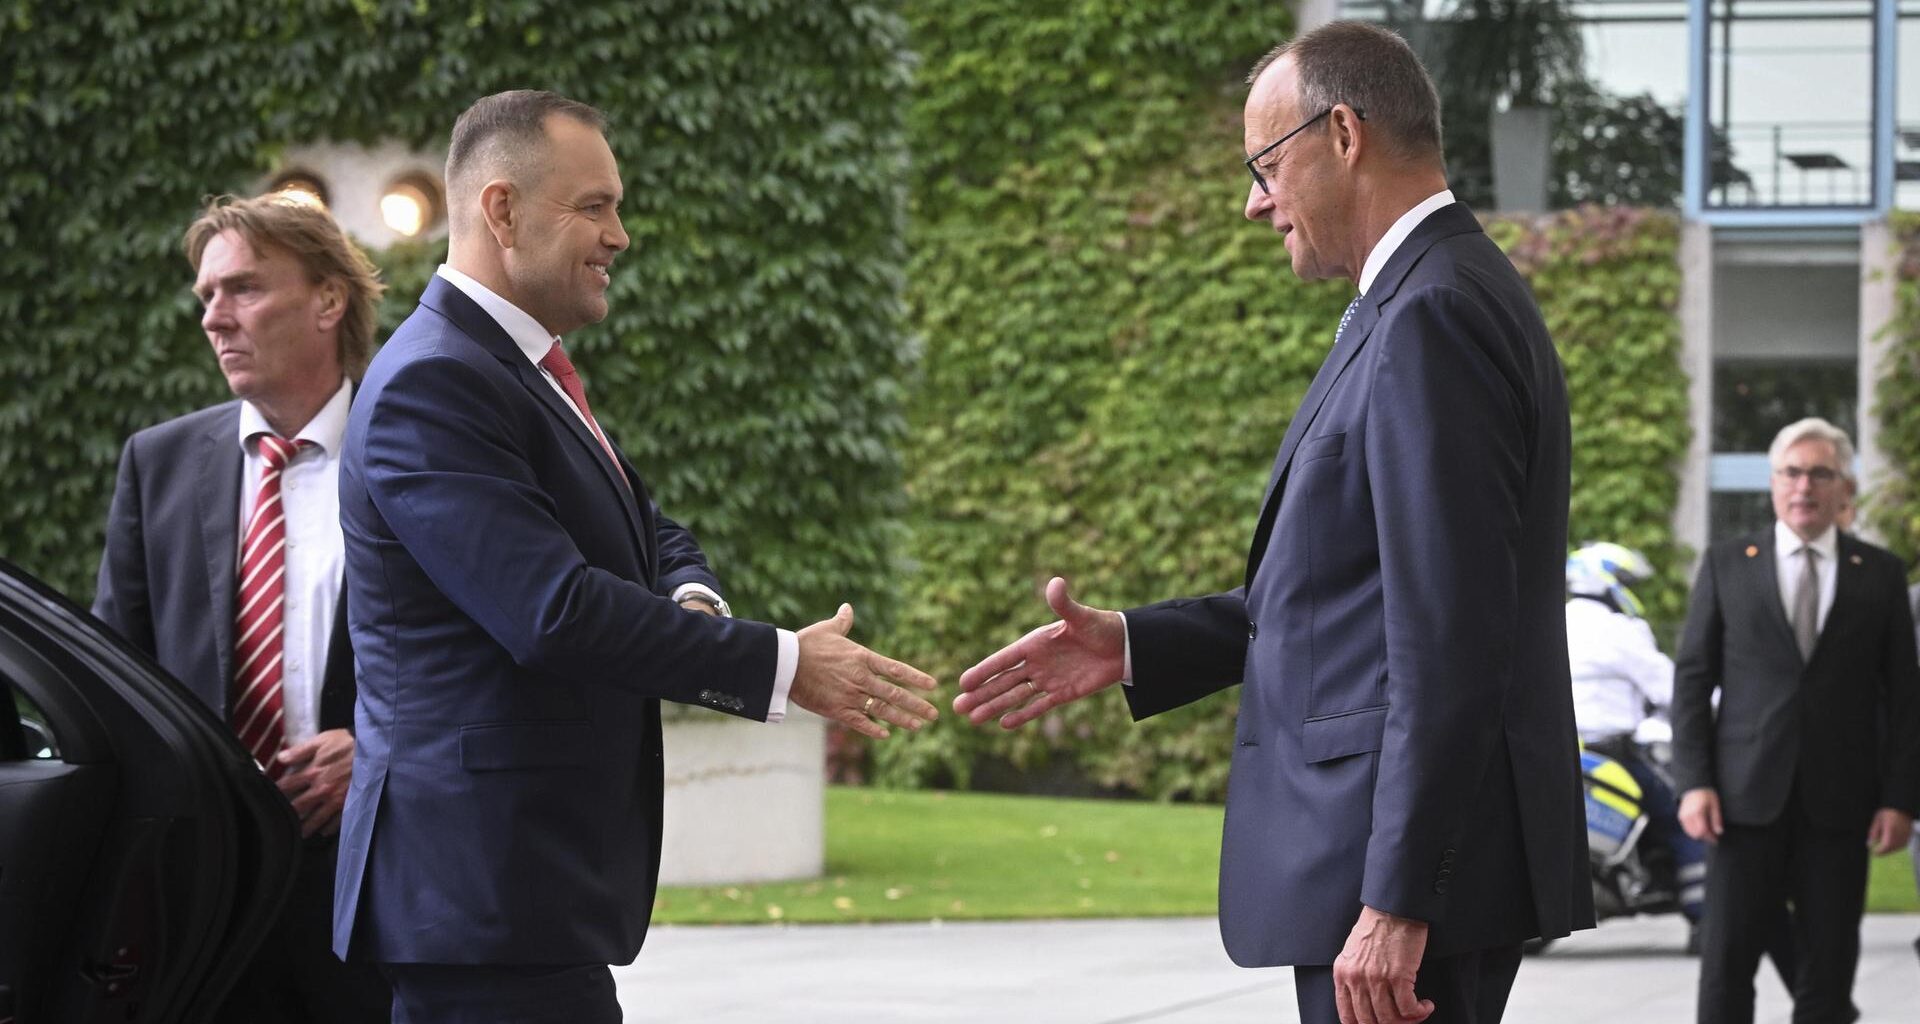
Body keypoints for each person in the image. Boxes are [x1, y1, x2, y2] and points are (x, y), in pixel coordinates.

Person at [954, 22, 1590, 1024]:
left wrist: (1398, 899)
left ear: (1343, 134)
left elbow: (1452, 638)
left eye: (1264, 165)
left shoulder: (1432, 314)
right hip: (1388, 891)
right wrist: (1132, 646)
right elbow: (1350, 595)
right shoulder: (1423, 300)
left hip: (1394, 908)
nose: (1254, 202)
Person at [331, 90, 939, 1024]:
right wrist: (783, 665)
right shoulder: (436, 382)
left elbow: (649, 529)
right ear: (501, 210)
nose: (620, 235)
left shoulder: (513, 370)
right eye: (595, 206)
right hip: (481, 904)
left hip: (523, 906)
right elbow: (553, 612)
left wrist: (692, 601)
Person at [91, 194, 391, 1022]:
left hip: (380, 881)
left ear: (329, 300)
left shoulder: (414, 447)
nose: (215, 319)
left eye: (243, 289)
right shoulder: (159, 463)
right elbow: (118, 675)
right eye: (206, 297)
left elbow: (490, 653)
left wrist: (378, 751)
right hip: (210, 893)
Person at [1672, 416, 1920, 1024]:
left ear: (1844, 489)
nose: (1804, 486)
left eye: (1820, 473)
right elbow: (1693, 680)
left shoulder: (1881, 574)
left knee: (1828, 976)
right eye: (1791, 472)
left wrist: (1900, 799)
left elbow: (1907, 697)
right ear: (1773, 482)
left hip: (1840, 806)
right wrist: (1694, 782)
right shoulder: (1728, 563)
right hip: (1740, 804)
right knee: (1727, 969)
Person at [1565, 542, 1708, 924]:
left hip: (1559, 751)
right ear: (1606, 581)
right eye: (1627, 581)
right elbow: (1668, 688)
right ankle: (1705, 919)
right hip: (1612, 753)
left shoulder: (1552, 619)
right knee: (1683, 815)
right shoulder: (1620, 630)